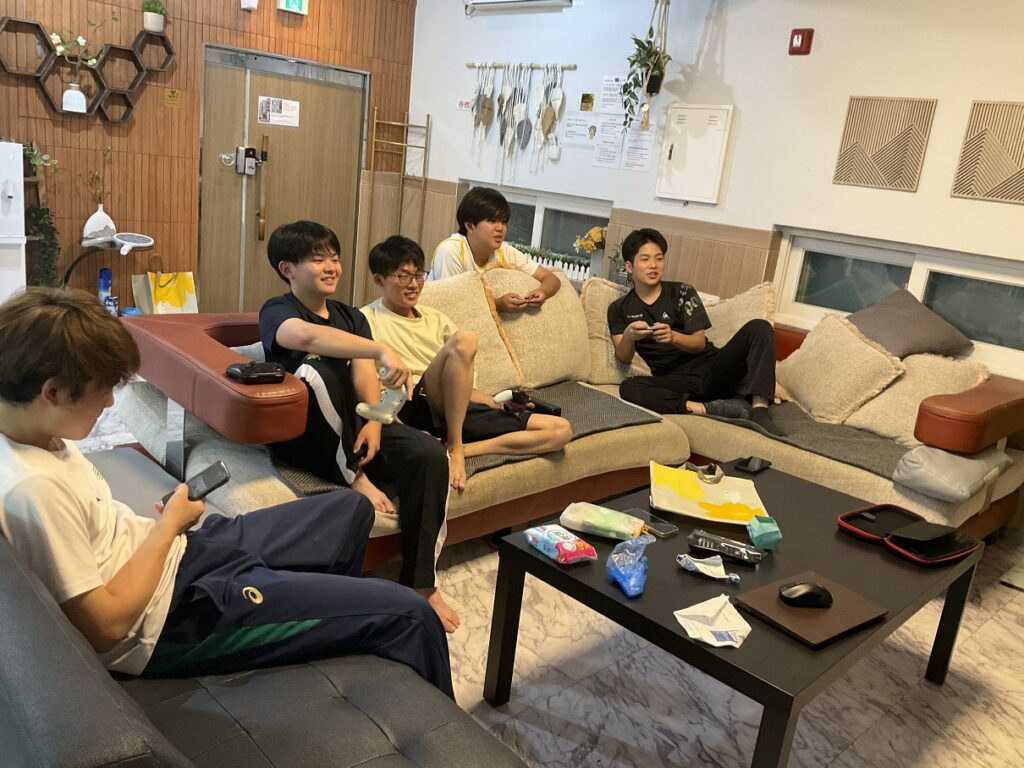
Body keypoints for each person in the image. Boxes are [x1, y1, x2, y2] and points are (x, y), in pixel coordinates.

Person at [0, 288, 453, 694]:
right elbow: (107, 627)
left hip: (178, 555)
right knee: (409, 615)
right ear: (52, 392)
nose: (110, 402)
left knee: (350, 509)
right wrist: (169, 525)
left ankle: (326, 620)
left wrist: (168, 530)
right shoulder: (33, 488)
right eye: (101, 390)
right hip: (172, 617)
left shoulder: (38, 432)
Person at [259, 221, 460, 632]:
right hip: (309, 438)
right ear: (287, 269)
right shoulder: (278, 311)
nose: (331, 267)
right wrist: (380, 348)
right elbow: (307, 339)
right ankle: (356, 477)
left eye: (334, 258)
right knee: (315, 371)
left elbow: (365, 375)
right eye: (318, 259)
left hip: (356, 426)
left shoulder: (350, 316)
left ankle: (422, 583)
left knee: (428, 454)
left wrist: (374, 422)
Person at [362, 236, 573, 490]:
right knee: (466, 339)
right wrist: (405, 431)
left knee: (560, 430)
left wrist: (496, 404)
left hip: (454, 408)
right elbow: (371, 391)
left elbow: (463, 383)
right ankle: (456, 445)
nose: (414, 284)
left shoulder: (436, 319)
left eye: (418, 275)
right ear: (379, 280)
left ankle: (460, 447)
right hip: (411, 404)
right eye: (403, 276)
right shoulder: (366, 320)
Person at [607, 228, 783, 436]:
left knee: (760, 327)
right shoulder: (619, 309)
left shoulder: (682, 292)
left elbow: (698, 344)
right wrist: (629, 336)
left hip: (712, 368)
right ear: (629, 266)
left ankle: (760, 410)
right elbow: (624, 357)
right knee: (629, 388)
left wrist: (673, 337)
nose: (653, 265)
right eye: (645, 259)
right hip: (674, 380)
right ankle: (707, 409)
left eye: (659, 258)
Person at [428, 186, 562, 312]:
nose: (500, 228)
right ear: (469, 226)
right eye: (492, 221)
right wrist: (497, 304)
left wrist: (543, 292)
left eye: (503, 221)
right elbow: (453, 304)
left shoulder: (504, 251)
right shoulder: (451, 250)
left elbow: (551, 278)